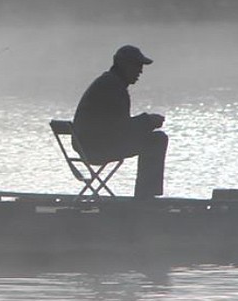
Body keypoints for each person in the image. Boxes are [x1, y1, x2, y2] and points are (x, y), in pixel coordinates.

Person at [72, 44, 168, 199]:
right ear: (124, 65)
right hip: (96, 149)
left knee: (153, 137)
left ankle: (145, 197)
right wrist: (148, 122)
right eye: (137, 66)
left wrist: (145, 123)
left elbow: (116, 128)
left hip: (89, 145)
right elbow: (120, 130)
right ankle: (145, 198)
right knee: (157, 139)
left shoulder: (108, 83)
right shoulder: (113, 88)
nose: (140, 71)